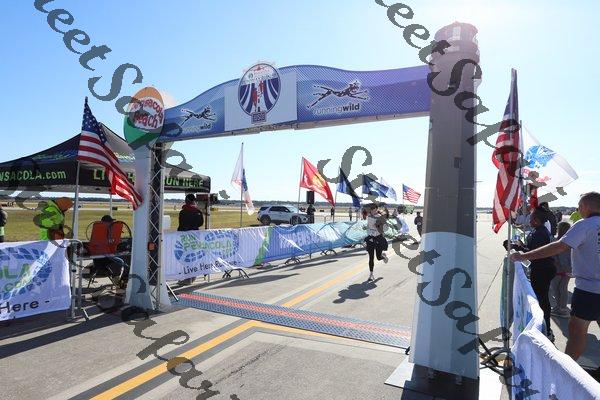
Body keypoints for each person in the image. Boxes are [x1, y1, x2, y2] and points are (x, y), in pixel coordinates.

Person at [512, 192, 600, 360]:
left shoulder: (585, 225)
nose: (579, 210)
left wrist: (524, 256)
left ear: (586, 207)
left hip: (589, 289)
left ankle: (566, 370)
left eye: (579, 207)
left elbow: (559, 246)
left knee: (577, 330)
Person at [511, 208, 556, 341]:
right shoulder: (538, 231)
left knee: (542, 301)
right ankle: (545, 327)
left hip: (542, 270)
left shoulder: (540, 233)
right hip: (541, 268)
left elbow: (535, 254)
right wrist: (520, 246)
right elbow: (532, 250)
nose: (529, 220)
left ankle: (546, 329)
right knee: (542, 299)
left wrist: (519, 249)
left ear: (536, 220)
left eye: (531, 218)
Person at [177, 194, 204, 285]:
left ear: (186, 200)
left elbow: (181, 224)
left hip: (185, 238)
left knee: (186, 258)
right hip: (195, 237)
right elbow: (200, 223)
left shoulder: (183, 212)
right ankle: (192, 277)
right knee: (193, 257)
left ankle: (188, 279)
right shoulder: (198, 211)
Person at [550, 221, 572, 318]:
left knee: (557, 288)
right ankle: (561, 307)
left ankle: (561, 308)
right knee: (562, 288)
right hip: (567, 269)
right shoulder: (571, 241)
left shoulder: (556, 241)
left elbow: (553, 255)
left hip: (558, 269)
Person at [365, 203, 388, 281]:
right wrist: (368, 231)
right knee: (371, 257)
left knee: (378, 257)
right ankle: (371, 274)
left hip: (378, 238)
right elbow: (368, 226)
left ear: (377, 209)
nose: (373, 211)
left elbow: (385, 228)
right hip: (371, 238)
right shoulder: (369, 216)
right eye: (372, 209)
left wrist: (378, 226)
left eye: (374, 209)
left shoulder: (380, 217)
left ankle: (383, 256)